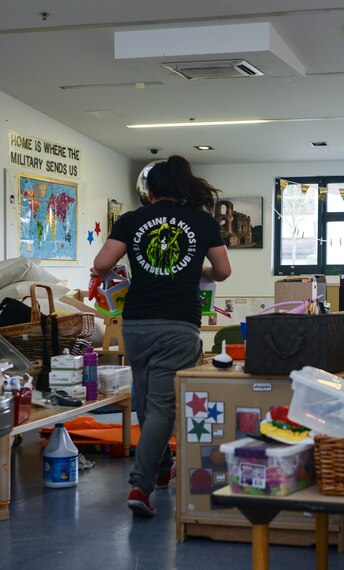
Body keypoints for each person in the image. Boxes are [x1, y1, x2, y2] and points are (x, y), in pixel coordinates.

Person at [92, 155, 231, 517]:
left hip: (136, 324)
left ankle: (160, 466)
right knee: (161, 407)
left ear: (149, 190)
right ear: (183, 188)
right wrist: (198, 269)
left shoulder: (132, 220)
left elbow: (102, 264)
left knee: (144, 398)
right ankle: (141, 483)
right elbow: (223, 271)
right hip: (178, 324)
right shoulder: (201, 221)